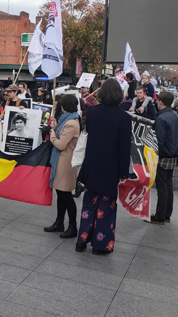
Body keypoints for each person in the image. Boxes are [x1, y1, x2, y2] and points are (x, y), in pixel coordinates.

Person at [76, 79, 131, 255]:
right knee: (106, 207)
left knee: (88, 204)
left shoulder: (92, 112)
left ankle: (82, 240)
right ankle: (101, 245)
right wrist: (124, 172)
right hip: (111, 167)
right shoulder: (124, 117)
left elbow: (89, 132)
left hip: (92, 164)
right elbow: (125, 148)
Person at [45, 95, 81, 238]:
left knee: (66, 195)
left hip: (66, 162)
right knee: (60, 193)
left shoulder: (71, 123)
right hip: (62, 161)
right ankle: (59, 222)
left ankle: (72, 226)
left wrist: (52, 133)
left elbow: (61, 144)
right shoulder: (67, 119)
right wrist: (56, 127)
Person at [150, 91, 178, 224]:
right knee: (168, 185)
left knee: (162, 186)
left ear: (161, 102)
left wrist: (156, 155)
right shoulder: (175, 115)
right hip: (173, 154)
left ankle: (160, 216)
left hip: (163, 156)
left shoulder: (161, 118)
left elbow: (159, 141)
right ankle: (167, 214)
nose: (157, 103)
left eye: (158, 101)